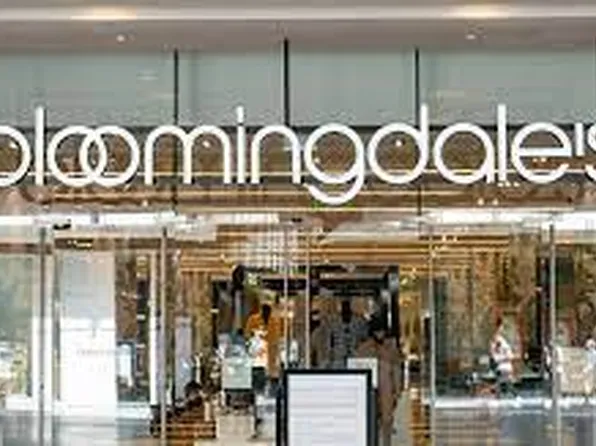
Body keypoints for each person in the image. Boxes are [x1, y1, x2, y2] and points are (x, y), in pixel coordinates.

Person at [356, 314, 401, 446]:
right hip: (370, 387)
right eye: (377, 331)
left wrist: (397, 389)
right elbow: (358, 365)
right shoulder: (364, 346)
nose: (380, 334)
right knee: (371, 417)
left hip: (387, 386)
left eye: (381, 331)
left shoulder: (391, 346)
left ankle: (387, 443)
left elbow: (396, 368)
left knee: (387, 419)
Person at [490, 326, 517, 398]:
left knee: (506, 380)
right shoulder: (496, 346)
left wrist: (507, 357)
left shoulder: (504, 344)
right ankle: (498, 391)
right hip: (502, 367)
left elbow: (510, 355)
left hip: (505, 367)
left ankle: (497, 391)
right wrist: (505, 358)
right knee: (506, 380)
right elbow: (496, 358)